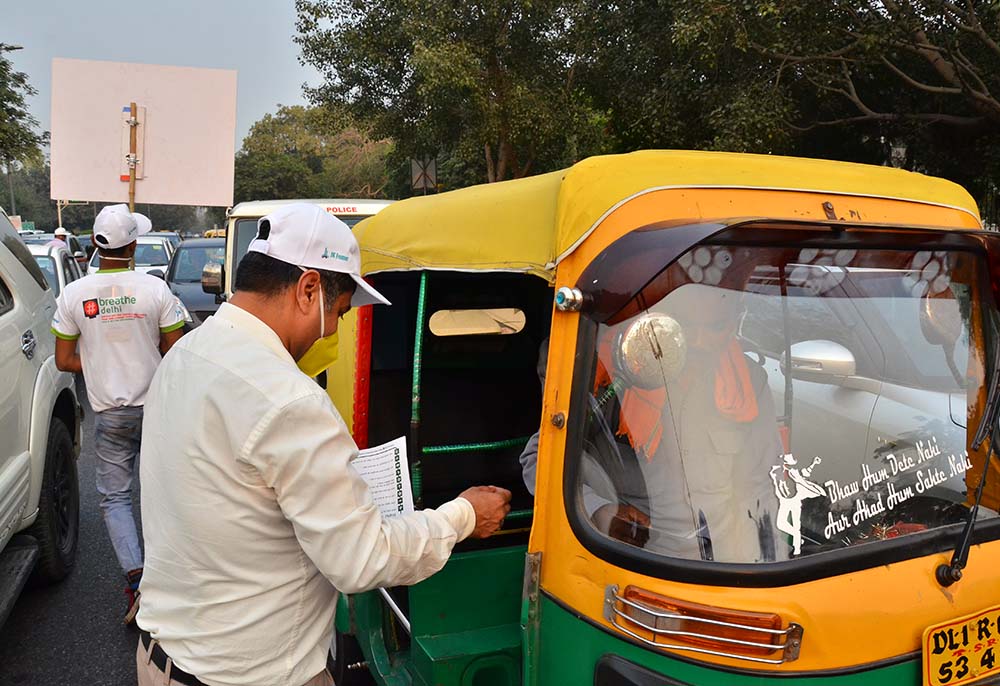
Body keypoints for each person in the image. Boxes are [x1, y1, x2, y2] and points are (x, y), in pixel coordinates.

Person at [135, 203, 511, 686]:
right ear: (308, 289)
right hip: (252, 676)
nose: (333, 329)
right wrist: (463, 516)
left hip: (162, 658)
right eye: (339, 311)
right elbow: (362, 559)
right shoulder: (288, 399)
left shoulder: (185, 353)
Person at [50, 204, 186, 623]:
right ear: (133, 246)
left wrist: (99, 366)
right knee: (167, 491)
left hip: (110, 415)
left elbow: (63, 360)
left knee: (115, 499)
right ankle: (176, 581)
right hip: (157, 409)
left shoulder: (73, 295)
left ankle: (137, 579)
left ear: (95, 244)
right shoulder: (155, 290)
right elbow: (176, 352)